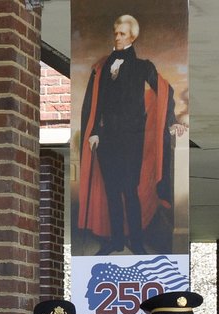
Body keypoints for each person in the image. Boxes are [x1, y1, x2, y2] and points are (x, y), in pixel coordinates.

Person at [78, 14, 187, 256]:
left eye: (123, 34)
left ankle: (136, 242)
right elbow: (97, 103)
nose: (117, 37)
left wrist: (172, 122)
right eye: (116, 33)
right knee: (112, 192)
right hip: (106, 140)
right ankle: (116, 240)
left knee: (129, 190)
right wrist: (94, 132)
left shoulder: (143, 66)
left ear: (132, 37)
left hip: (131, 140)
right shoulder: (103, 66)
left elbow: (165, 92)